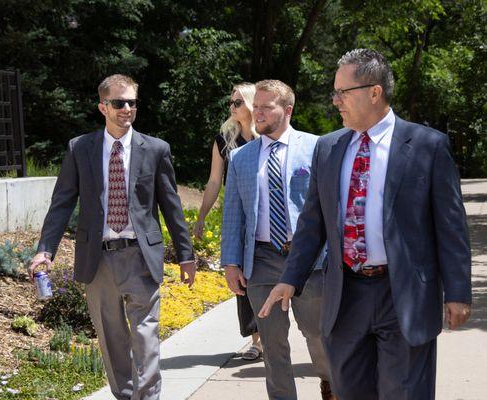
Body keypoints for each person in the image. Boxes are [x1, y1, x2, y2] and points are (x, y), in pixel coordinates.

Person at [259, 49, 472, 400]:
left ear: (374, 92)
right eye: (335, 92)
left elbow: (450, 226)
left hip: (403, 293)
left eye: (343, 92)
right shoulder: (329, 148)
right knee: (352, 391)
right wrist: (290, 279)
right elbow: (314, 223)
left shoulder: (427, 146)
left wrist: (459, 292)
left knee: (404, 393)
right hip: (346, 295)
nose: (335, 101)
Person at [28, 74, 196, 400]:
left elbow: (171, 206)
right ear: (102, 106)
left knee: (146, 340)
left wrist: (186, 254)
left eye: (133, 102)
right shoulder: (80, 149)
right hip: (98, 259)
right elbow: (62, 202)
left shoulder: (156, 149)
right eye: (119, 103)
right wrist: (45, 250)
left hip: (140, 256)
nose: (127, 109)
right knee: (112, 339)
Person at [222, 79, 334, 400]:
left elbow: (330, 208)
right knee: (273, 346)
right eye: (255, 106)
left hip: (309, 261)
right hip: (261, 261)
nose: (256, 112)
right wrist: (231, 262)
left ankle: (331, 385)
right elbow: (234, 214)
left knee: (316, 335)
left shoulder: (316, 148)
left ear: (287, 110)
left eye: (265, 107)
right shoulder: (241, 158)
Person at [193, 83, 262, 360]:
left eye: (237, 103)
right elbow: (213, 181)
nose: (232, 108)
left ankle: (273, 334)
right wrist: (201, 216)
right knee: (242, 278)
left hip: (269, 219)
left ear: (251, 104)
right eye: (231, 103)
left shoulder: (267, 136)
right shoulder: (224, 139)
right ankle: (258, 340)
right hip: (239, 219)